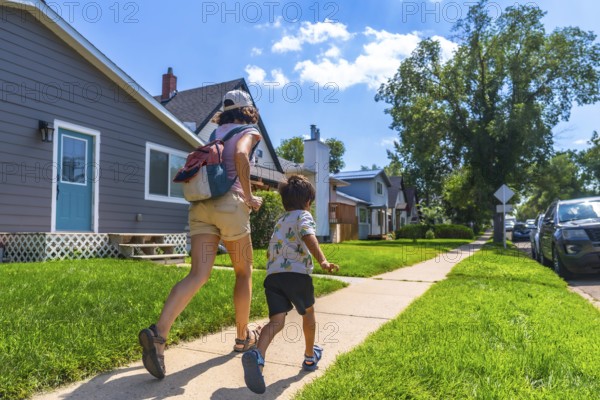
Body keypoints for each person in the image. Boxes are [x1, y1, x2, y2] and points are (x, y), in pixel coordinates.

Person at [138, 89, 264, 379]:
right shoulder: (250, 131)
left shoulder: (216, 133)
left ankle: (158, 336)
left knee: (198, 274)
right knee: (244, 272)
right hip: (230, 206)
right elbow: (243, 156)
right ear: (248, 110)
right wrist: (249, 197)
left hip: (201, 206)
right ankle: (243, 338)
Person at [241, 174, 339, 394]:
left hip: (273, 277)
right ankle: (309, 357)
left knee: (276, 321)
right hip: (297, 275)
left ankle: (258, 356)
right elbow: (307, 235)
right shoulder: (303, 216)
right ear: (308, 202)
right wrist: (322, 259)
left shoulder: (280, 220)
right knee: (309, 314)